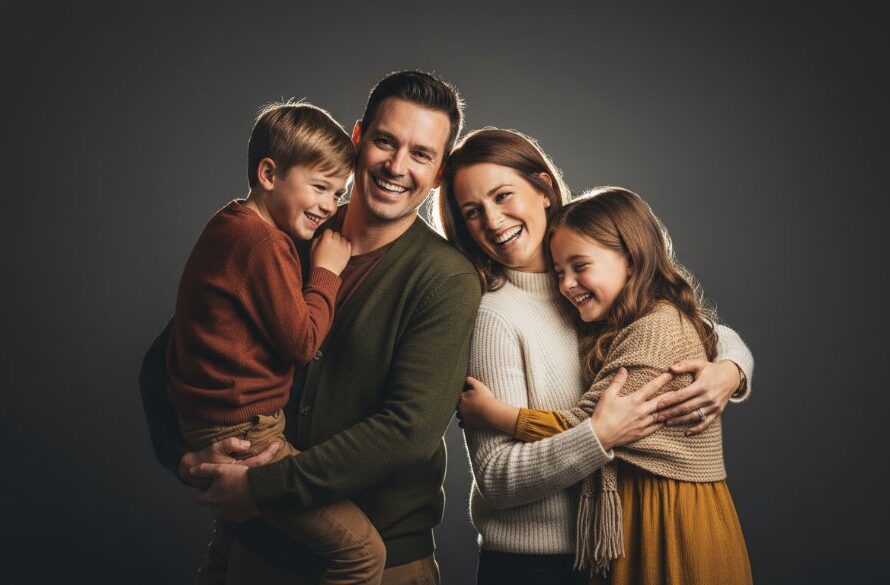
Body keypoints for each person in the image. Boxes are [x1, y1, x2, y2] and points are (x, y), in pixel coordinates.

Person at [140, 71, 482, 584]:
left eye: (421, 154)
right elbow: (171, 352)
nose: (396, 166)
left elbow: (406, 431)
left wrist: (264, 486)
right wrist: (183, 454)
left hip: (382, 560)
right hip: (259, 546)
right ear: (358, 139)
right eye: (386, 142)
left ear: (437, 174)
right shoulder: (286, 231)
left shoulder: (445, 278)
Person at [436, 128, 753, 584]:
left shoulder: (593, 288)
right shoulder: (496, 316)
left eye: (503, 195)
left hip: (611, 551)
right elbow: (498, 478)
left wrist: (731, 368)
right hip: (535, 565)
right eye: (472, 212)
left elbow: (682, 327)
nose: (492, 219)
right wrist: (599, 435)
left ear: (544, 189)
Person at [165, 101, 390, 584]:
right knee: (364, 554)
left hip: (210, 421)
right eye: (320, 187)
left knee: (228, 552)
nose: (331, 205)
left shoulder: (227, 225)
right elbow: (301, 341)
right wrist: (327, 273)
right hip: (247, 429)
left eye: (340, 192)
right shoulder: (263, 244)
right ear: (269, 173)